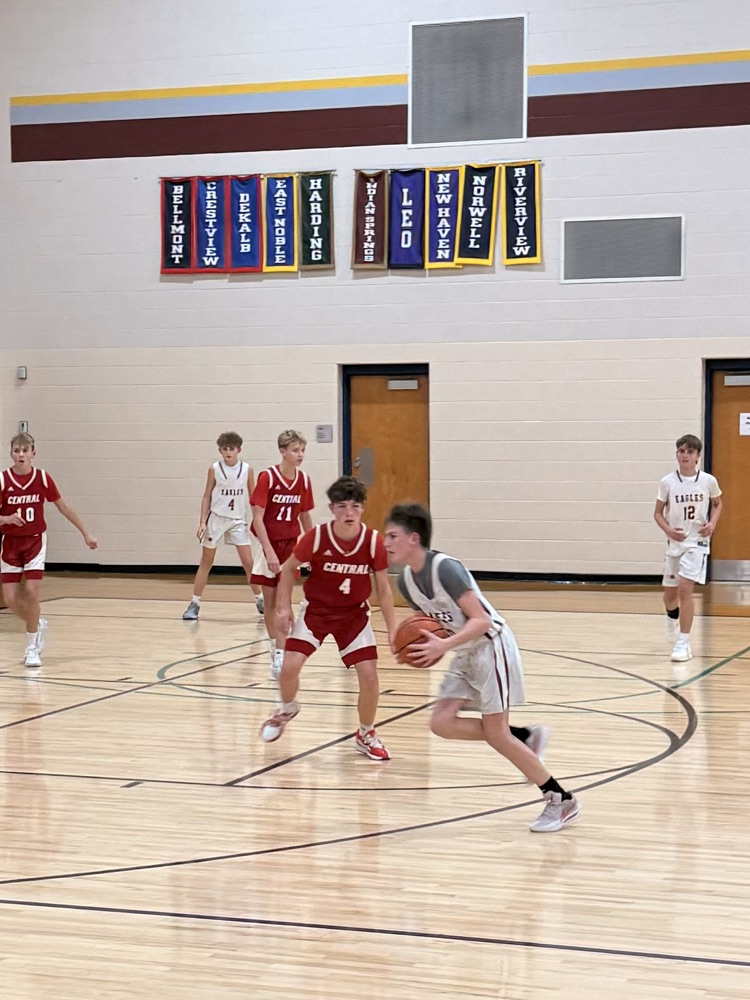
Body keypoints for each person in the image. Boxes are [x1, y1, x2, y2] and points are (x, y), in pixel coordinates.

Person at [382, 502, 580, 833]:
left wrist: (443, 645)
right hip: (464, 650)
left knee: (495, 733)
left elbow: (481, 619)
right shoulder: (406, 581)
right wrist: (427, 646)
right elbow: (438, 625)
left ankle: (561, 799)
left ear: (413, 539)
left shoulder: (445, 569)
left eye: (392, 535)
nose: (386, 543)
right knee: (442, 724)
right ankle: (525, 736)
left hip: (491, 646)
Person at [259, 476, 397, 761]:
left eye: (355, 506)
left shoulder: (373, 542)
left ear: (362, 509)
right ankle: (287, 707)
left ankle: (366, 733)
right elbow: (287, 569)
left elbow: (383, 590)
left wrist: (393, 629)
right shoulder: (316, 537)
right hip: (317, 611)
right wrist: (283, 608)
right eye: (342, 506)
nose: (349, 513)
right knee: (288, 667)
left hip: (353, 615)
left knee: (370, 676)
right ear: (331, 508)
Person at [0, 432, 98, 669]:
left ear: (33, 453)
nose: (21, 455)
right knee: (12, 601)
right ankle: (37, 623)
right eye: (17, 450)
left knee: (33, 592)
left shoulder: (43, 478)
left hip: (34, 542)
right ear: (11, 453)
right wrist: (6, 518)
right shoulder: (3, 481)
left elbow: (63, 507)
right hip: (10, 544)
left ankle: (32, 648)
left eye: (25, 450)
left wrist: (85, 533)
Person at [251, 430, 315, 678]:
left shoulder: (304, 481)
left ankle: (281, 653)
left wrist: (314, 548)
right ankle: (274, 651)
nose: (300, 455)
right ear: (282, 452)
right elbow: (257, 517)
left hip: (290, 546)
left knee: (283, 601)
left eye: (302, 451)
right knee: (269, 602)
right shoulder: (268, 477)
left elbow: (305, 516)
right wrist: (268, 550)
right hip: (268, 543)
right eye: (295, 450)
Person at [654, 434, 723, 663]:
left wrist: (712, 524)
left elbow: (718, 503)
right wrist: (668, 531)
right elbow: (657, 513)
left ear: (697, 456)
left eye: (690, 452)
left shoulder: (707, 481)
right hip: (676, 543)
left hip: (697, 543)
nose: (685, 455)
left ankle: (683, 642)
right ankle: (671, 616)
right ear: (677, 454)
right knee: (669, 596)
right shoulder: (667, 482)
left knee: (685, 588)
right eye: (681, 451)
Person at [182, 431, 263, 621]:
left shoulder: (247, 470)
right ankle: (194, 603)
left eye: (231, 448)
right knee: (206, 562)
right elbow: (207, 495)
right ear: (220, 450)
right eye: (224, 448)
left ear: (238, 450)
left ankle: (259, 599)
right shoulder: (214, 469)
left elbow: (254, 497)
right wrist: (202, 521)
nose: (228, 452)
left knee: (248, 562)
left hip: (237, 520)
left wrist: (258, 520)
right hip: (216, 519)